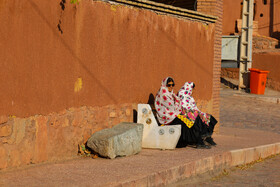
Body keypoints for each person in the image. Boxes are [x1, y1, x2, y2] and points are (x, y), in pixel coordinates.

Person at [154, 77, 210, 149]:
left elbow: (176, 105)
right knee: (187, 121)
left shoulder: (171, 94)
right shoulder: (163, 94)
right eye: (169, 85)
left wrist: (177, 103)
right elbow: (172, 107)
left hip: (173, 115)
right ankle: (195, 141)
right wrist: (177, 103)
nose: (171, 87)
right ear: (165, 85)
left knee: (192, 118)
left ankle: (198, 141)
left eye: (172, 85)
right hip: (167, 117)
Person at [178, 82, 217, 146]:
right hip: (186, 113)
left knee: (209, 117)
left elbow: (194, 107)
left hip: (193, 112)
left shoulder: (190, 97)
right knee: (199, 119)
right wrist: (197, 113)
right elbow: (185, 107)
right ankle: (200, 140)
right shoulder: (182, 95)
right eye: (193, 89)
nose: (193, 91)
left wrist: (199, 113)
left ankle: (207, 137)